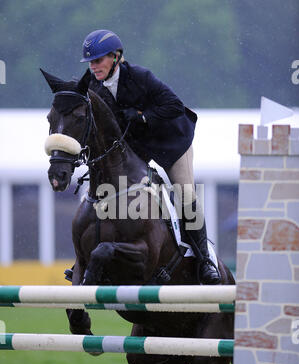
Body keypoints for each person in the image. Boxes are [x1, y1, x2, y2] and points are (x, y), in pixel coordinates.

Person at [80, 29, 220, 284]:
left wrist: (144, 116)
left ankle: (205, 261)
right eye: (91, 62)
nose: (93, 66)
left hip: (171, 143)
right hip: (139, 148)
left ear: (116, 57)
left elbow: (174, 105)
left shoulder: (140, 77)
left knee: (185, 194)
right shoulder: (93, 86)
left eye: (98, 60)